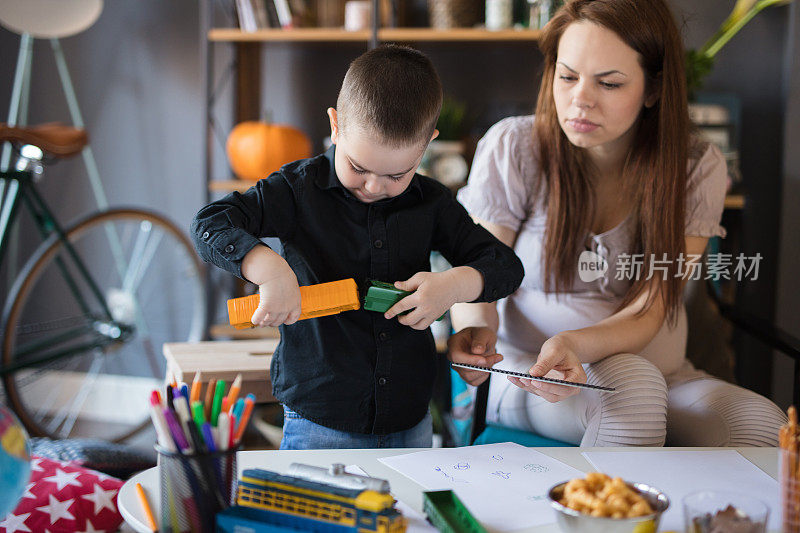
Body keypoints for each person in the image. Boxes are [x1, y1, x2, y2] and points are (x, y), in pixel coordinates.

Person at [448, 0, 786, 447]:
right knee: (631, 395)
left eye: (608, 83)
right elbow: (478, 276)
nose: (580, 99)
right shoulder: (516, 148)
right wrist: (475, 330)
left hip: (663, 376)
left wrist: (575, 343)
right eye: (567, 77)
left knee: (762, 425)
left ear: (652, 90)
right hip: (534, 373)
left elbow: (652, 307)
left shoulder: (694, 166)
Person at [191, 45, 524, 450]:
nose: (373, 186)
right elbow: (210, 223)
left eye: (396, 174)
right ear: (335, 125)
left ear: (427, 145)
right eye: (358, 167)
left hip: (410, 417)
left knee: (404, 514)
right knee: (318, 513)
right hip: (319, 416)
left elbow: (505, 265)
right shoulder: (297, 190)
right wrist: (268, 268)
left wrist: (453, 286)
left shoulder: (431, 203)